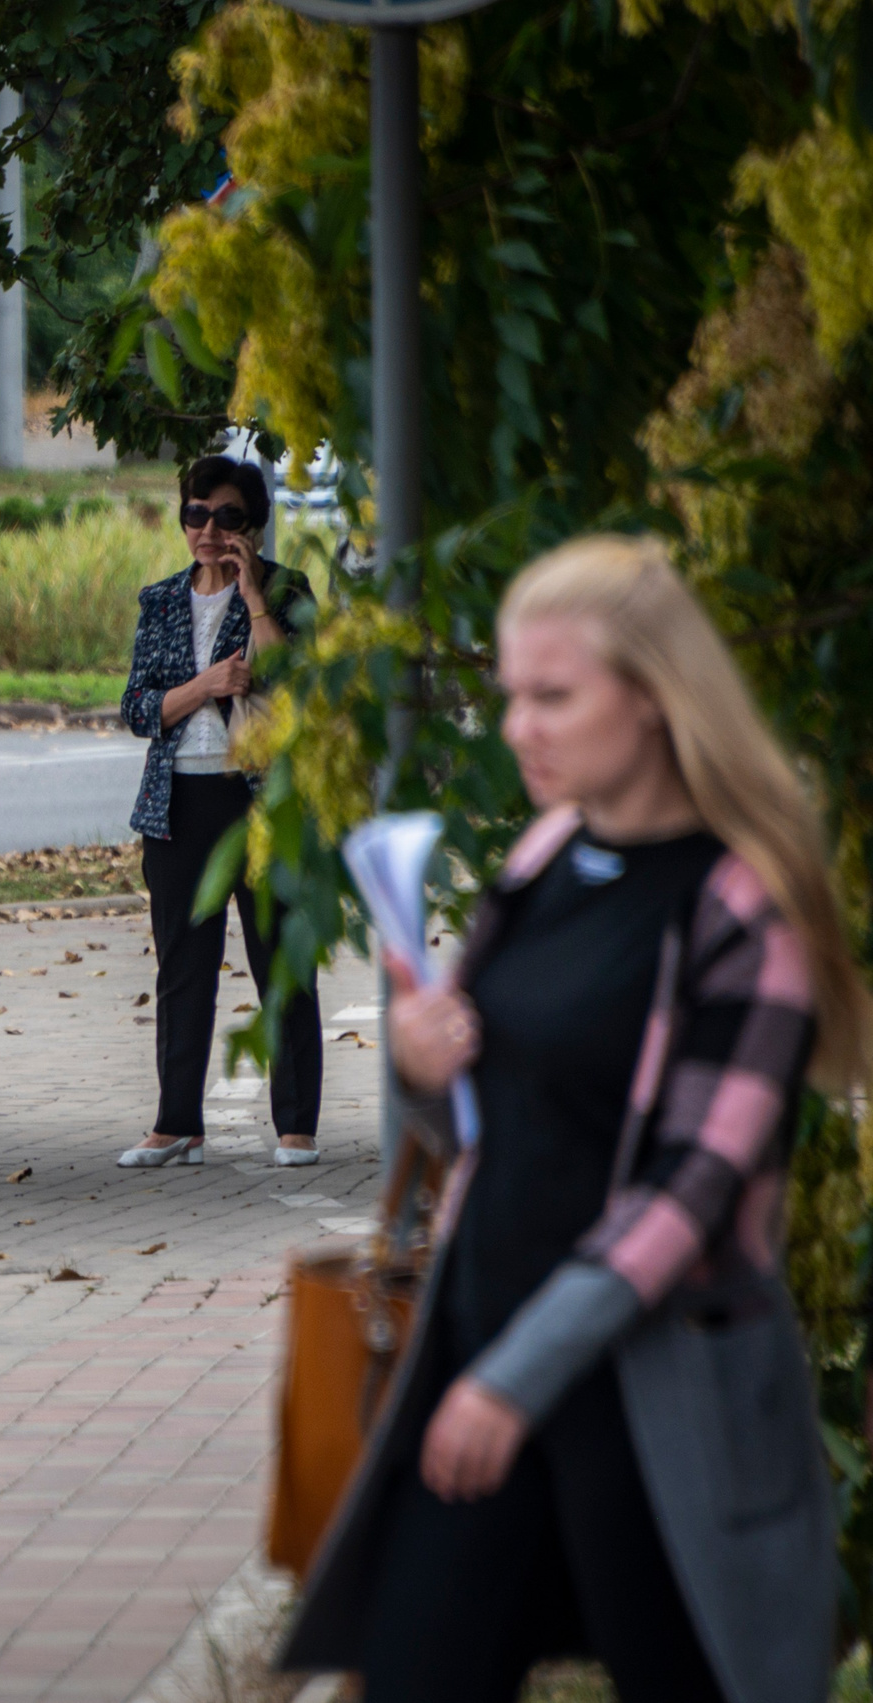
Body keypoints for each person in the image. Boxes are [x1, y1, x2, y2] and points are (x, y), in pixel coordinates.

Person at [284, 537, 866, 1702]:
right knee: (413, 1670)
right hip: (484, 1349)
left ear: (653, 701)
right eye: (508, 693)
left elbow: (690, 1188)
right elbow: (476, 1124)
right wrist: (416, 1056)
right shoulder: (546, 853)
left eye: (553, 695)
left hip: (656, 1394)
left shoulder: (741, 907)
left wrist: (516, 1377)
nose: (516, 726)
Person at [117, 455, 322, 1169]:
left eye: (227, 516)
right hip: (177, 799)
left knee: (279, 960)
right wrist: (205, 684)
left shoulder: (288, 589)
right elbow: (139, 708)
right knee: (183, 966)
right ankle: (177, 1122)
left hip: (260, 797)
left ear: (253, 525)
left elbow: (295, 682)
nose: (209, 529)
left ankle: (296, 1124)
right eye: (196, 513)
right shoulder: (161, 600)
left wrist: (254, 596)